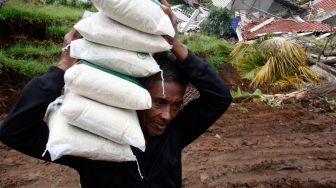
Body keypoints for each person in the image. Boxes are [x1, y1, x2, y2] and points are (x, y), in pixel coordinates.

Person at [0, 1, 232, 187]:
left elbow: (220, 97)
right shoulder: (93, 139)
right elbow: (14, 132)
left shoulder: (174, 133)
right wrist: (61, 69)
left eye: (176, 105)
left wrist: (176, 45)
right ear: (134, 94)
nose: (167, 115)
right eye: (158, 102)